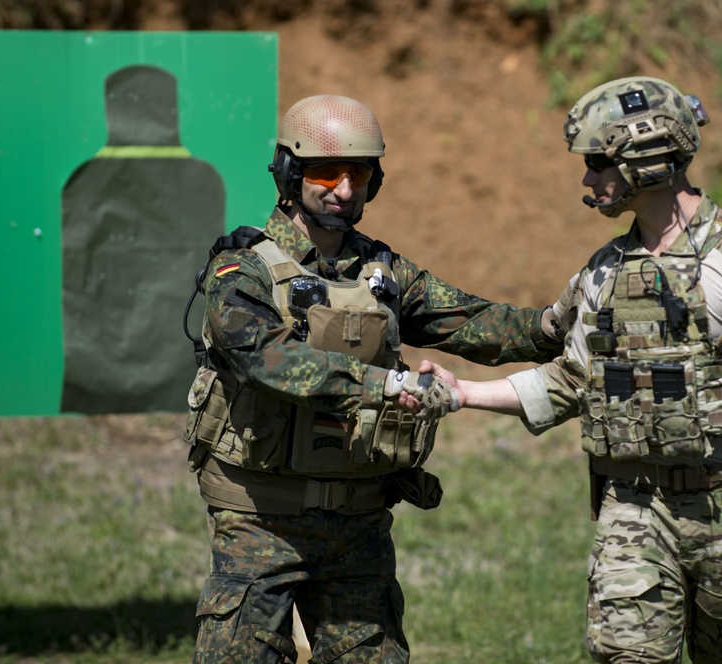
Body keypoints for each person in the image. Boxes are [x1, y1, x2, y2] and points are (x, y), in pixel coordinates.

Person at [415, 77, 722, 663]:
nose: (586, 179)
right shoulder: (601, 275)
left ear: (644, 156)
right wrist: (462, 393)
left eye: (597, 162)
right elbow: (571, 378)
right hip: (632, 507)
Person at [181, 94, 561, 663]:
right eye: (325, 172)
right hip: (260, 523)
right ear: (290, 173)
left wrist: (561, 322)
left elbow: (474, 322)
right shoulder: (243, 271)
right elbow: (265, 359)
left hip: (358, 523)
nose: (342, 189)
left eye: (356, 172)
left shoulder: (384, 272)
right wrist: (385, 386)